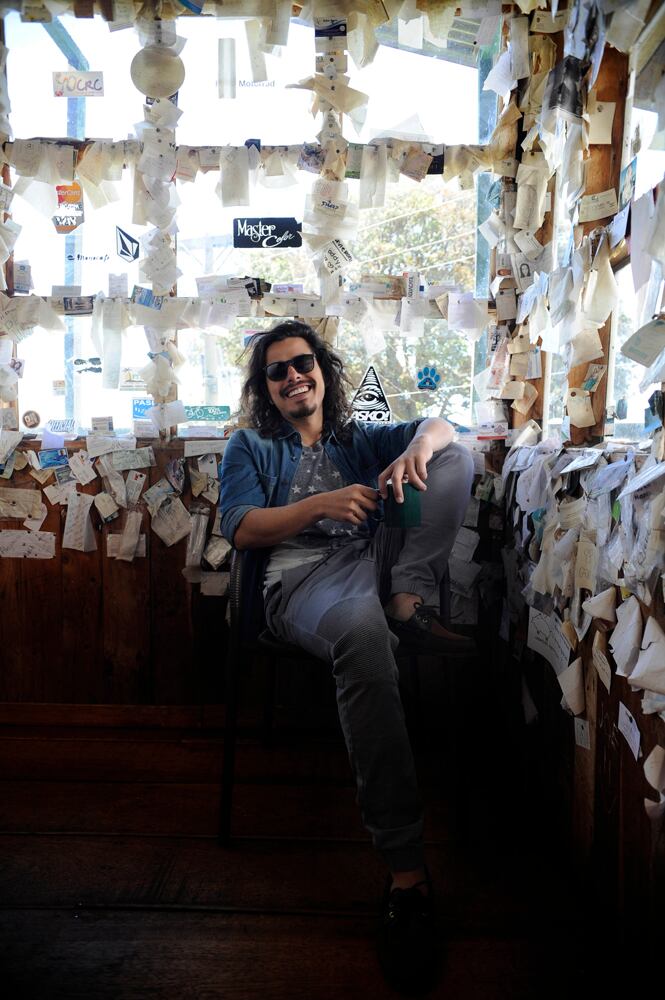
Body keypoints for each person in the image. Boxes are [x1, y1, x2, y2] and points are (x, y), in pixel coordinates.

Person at [220, 320, 475, 994]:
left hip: (377, 561)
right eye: (277, 371)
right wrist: (317, 506)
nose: (292, 377)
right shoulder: (250, 445)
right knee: (362, 641)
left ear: (323, 370)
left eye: (302, 363)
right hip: (305, 577)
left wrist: (416, 447)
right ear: (265, 388)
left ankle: (407, 599)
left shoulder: (356, 436)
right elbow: (240, 527)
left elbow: (442, 427)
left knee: (454, 457)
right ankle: (407, 873)